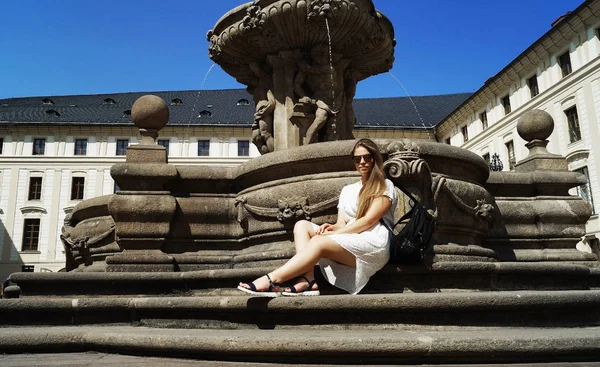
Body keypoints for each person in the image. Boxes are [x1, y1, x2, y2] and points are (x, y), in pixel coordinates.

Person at [238, 138, 398, 296]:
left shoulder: (384, 185)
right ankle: (308, 279)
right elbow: (341, 223)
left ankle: (271, 279)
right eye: (357, 159)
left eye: (366, 157)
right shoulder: (348, 190)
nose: (362, 162)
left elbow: (368, 220)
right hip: (351, 238)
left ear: (374, 159)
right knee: (301, 225)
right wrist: (331, 227)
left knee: (318, 241)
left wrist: (334, 234)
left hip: (373, 242)